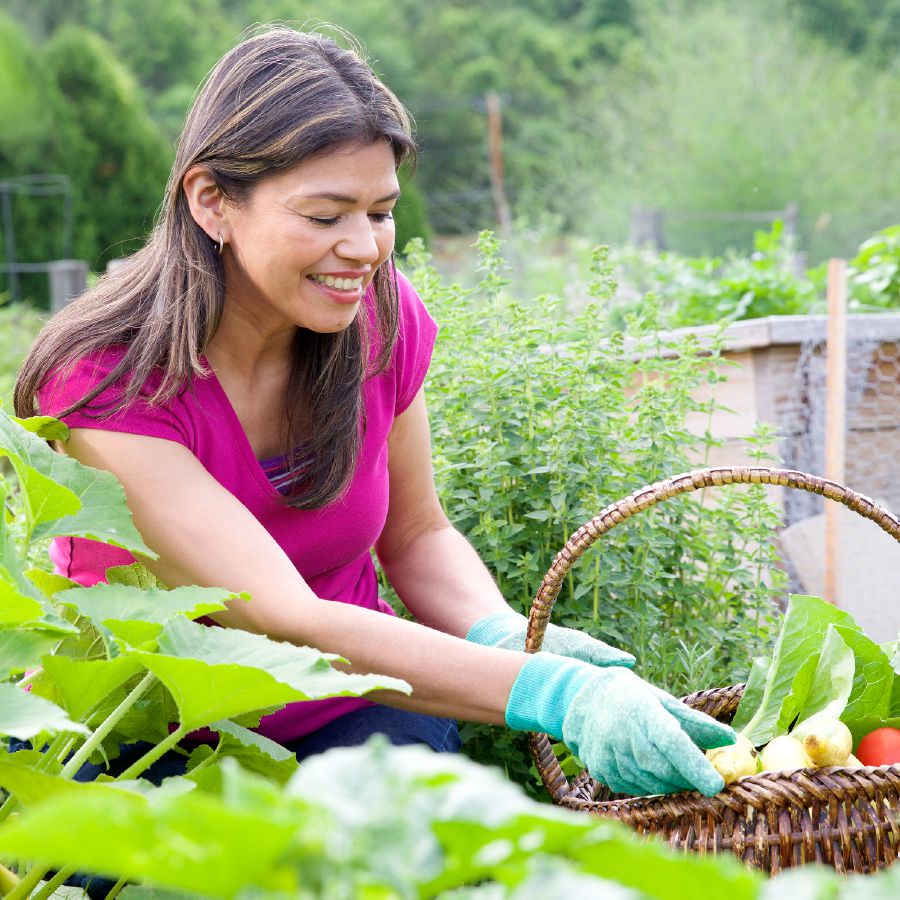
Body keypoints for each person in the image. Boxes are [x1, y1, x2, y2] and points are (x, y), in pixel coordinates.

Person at [15, 26, 735, 797]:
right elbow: (285, 619)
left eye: (381, 212)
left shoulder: (378, 322)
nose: (365, 248)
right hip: (144, 753)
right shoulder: (106, 379)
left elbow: (418, 536)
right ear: (212, 201)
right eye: (326, 217)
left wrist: (496, 633)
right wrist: (554, 694)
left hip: (351, 718)